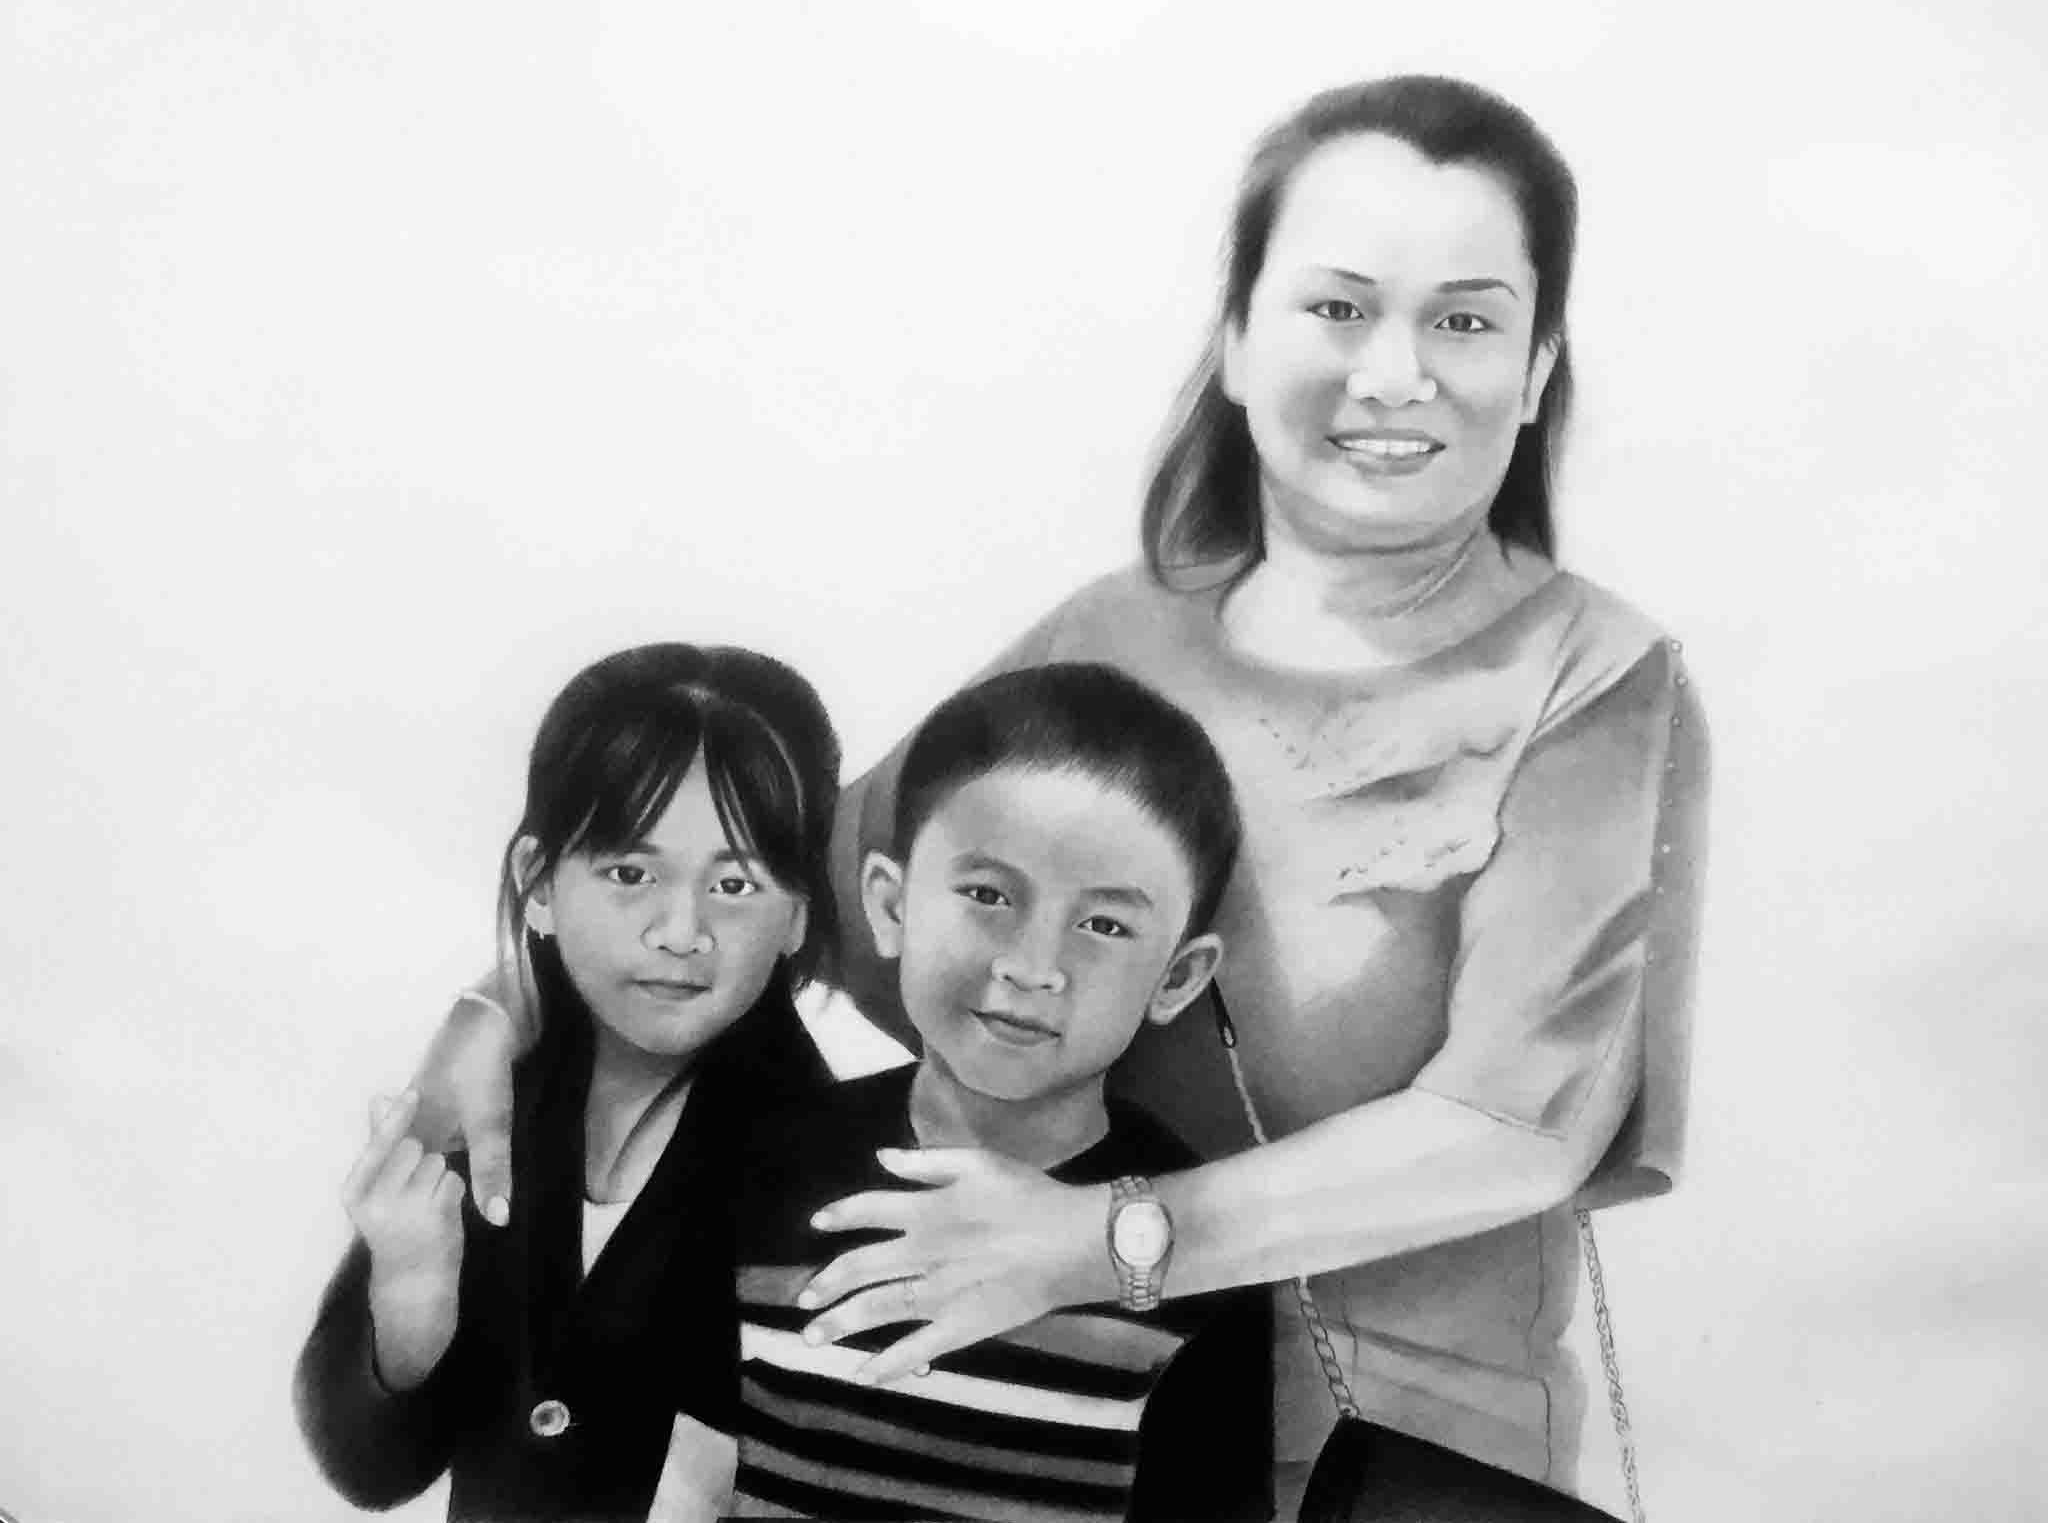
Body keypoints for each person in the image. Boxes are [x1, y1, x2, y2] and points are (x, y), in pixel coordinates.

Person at [408, 73, 1709, 1519]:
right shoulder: (1114, 632)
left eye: (1463, 320)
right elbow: (777, 878)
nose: (1393, 373)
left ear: (1536, 368)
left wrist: (1098, 1243)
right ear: (1236, 340)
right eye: (1338, 307)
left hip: (1403, 1463)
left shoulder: (1595, 682)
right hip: (1040, 1442)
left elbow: (1519, 1127)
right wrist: (502, 1000)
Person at [294, 644, 841, 1523]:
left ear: (798, 915)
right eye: (630, 873)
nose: (681, 930)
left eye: (735, 883)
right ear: (538, 881)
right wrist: (408, 1304)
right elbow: (368, 1470)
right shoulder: (491, 1087)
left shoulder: (826, 1166)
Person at [727, 663, 1271, 1521]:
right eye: (987, 894)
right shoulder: (753, 1164)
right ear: (891, 905)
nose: (1031, 966)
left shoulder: (1194, 1252)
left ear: (1177, 977)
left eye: (1104, 924)